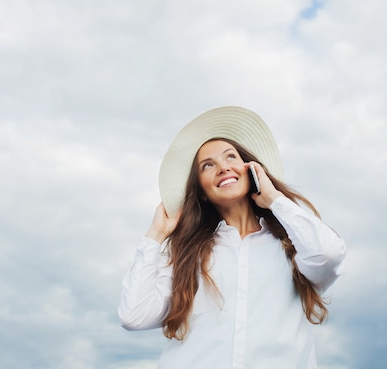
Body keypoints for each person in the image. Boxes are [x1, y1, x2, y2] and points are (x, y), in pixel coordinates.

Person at [118, 106, 347, 369]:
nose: (223, 168)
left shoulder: (293, 246)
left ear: (252, 170)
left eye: (231, 157)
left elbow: (329, 255)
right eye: (208, 165)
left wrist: (273, 198)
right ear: (201, 190)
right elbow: (134, 315)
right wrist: (155, 235)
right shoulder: (187, 255)